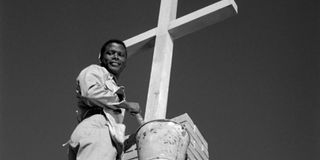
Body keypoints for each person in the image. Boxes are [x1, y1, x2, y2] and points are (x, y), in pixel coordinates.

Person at [68, 39, 141, 160]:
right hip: (96, 129)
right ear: (101, 57)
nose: (116, 57)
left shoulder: (114, 85)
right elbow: (90, 93)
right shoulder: (95, 71)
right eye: (111, 53)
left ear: (125, 62)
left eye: (121, 55)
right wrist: (125, 105)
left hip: (106, 135)